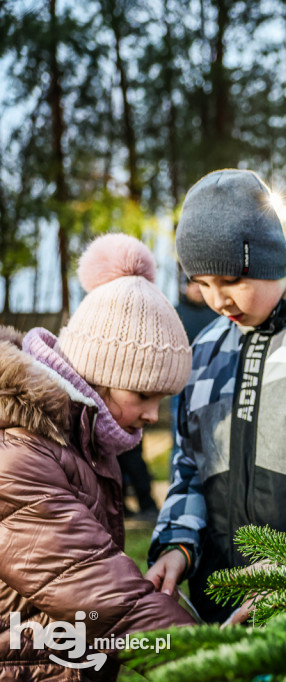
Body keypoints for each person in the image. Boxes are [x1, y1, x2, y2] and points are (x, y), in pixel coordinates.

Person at [146, 169, 286, 623]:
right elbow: (189, 464)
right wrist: (177, 542)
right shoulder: (206, 347)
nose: (217, 300)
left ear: (266, 258)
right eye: (202, 284)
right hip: (222, 615)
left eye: (228, 281)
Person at [0, 234, 196, 679]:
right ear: (96, 376)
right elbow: (105, 596)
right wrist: (221, 659)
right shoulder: (20, 453)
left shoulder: (85, 439)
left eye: (162, 398)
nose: (152, 414)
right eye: (143, 394)